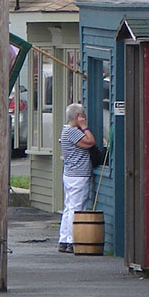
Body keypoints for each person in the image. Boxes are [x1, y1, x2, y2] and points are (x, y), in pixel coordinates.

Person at [58, 102, 95, 253]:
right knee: (76, 208)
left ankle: (64, 238)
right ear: (78, 116)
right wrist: (84, 127)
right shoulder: (72, 131)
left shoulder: (66, 131)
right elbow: (90, 142)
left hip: (70, 173)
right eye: (83, 115)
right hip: (78, 175)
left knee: (69, 207)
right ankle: (73, 239)